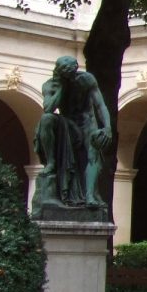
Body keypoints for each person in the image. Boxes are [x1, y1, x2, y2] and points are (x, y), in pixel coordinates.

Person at [32, 55, 113, 212]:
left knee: (93, 150)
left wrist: (108, 128)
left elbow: (100, 105)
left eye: (74, 72)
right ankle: (51, 162)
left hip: (87, 122)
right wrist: (62, 86)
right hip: (67, 124)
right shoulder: (50, 85)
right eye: (68, 73)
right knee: (46, 119)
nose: (73, 76)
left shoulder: (87, 79)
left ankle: (90, 195)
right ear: (60, 73)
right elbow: (48, 108)